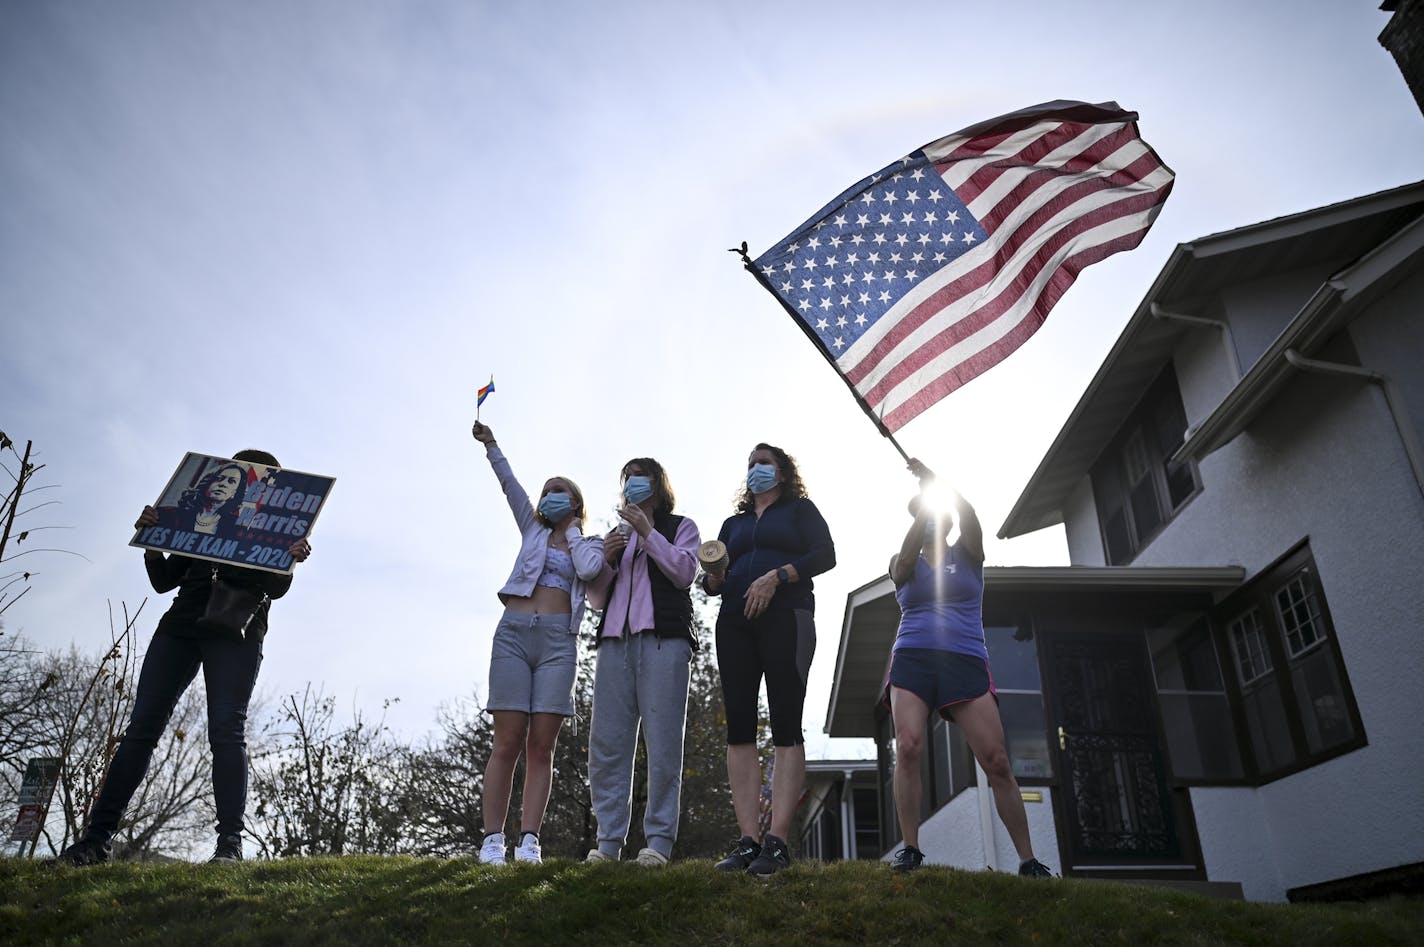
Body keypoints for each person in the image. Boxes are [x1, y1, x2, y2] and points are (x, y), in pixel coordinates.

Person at [57, 450, 312, 865]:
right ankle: (95, 842)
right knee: (141, 729)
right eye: (230, 476)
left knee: (226, 731)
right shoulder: (200, 520)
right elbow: (163, 581)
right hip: (179, 625)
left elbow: (277, 589)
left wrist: (291, 560)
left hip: (236, 629)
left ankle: (229, 846)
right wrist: (152, 542)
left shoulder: (272, 529)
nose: (233, 484)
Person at [883, 458, 1053, 877]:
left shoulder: (968, 553)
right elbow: (903, 563)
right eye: (918, 516)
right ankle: (910, 849)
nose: (925, 522)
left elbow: (971, 517)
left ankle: (1028, 860)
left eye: (930, 516)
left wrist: (942, 487)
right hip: (913, 657)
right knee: (907, 746)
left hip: (965, 658)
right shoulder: (902, 561)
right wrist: (925, 503)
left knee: (996, 761)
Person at [471, 421, 603, 866]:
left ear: (575, 503)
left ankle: (529, 840)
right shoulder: (532, 527)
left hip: (558, 643)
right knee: (506, 741)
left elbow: (589, 573)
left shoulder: (590, 543)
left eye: (559, 491)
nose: (550, 496)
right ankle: (492, 840)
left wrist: (576, 531)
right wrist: (492, 445)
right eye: (547, 491)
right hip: (513, 633)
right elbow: (509, 485)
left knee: (541, 745)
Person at [703, 443, 835, 876]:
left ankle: (776, 841)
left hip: (788, 616)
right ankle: (748, 841)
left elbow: (825, 555)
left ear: (781, 473)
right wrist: (715, 576)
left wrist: (777, 576)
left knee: (785, 724)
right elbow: (712, 583)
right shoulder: (734, 523)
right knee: (739, 727)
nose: (756, 469)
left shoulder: (801, 511)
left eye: (764, 463)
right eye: (751, 464)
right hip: (734, 623)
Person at [584, 458, 700, 867]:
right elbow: (596, 599)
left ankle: (658, 843)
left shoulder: (679, 527)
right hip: (616, 645)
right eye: (627, 477)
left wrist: (649, 533)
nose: (632, 483)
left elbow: (684, 572)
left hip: (663, 644)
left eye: (641, 476)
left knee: (664, 743)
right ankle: (608, 843)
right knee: (607, 746)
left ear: (657, 485)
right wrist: (608, 561)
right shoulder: (613, 536)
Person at [156, 460, 248, 535]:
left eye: (231, 481)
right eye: (219, 479)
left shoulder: (235, 528)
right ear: (207, 483)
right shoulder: (169, 515)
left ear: (235, 493)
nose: (223, 484)